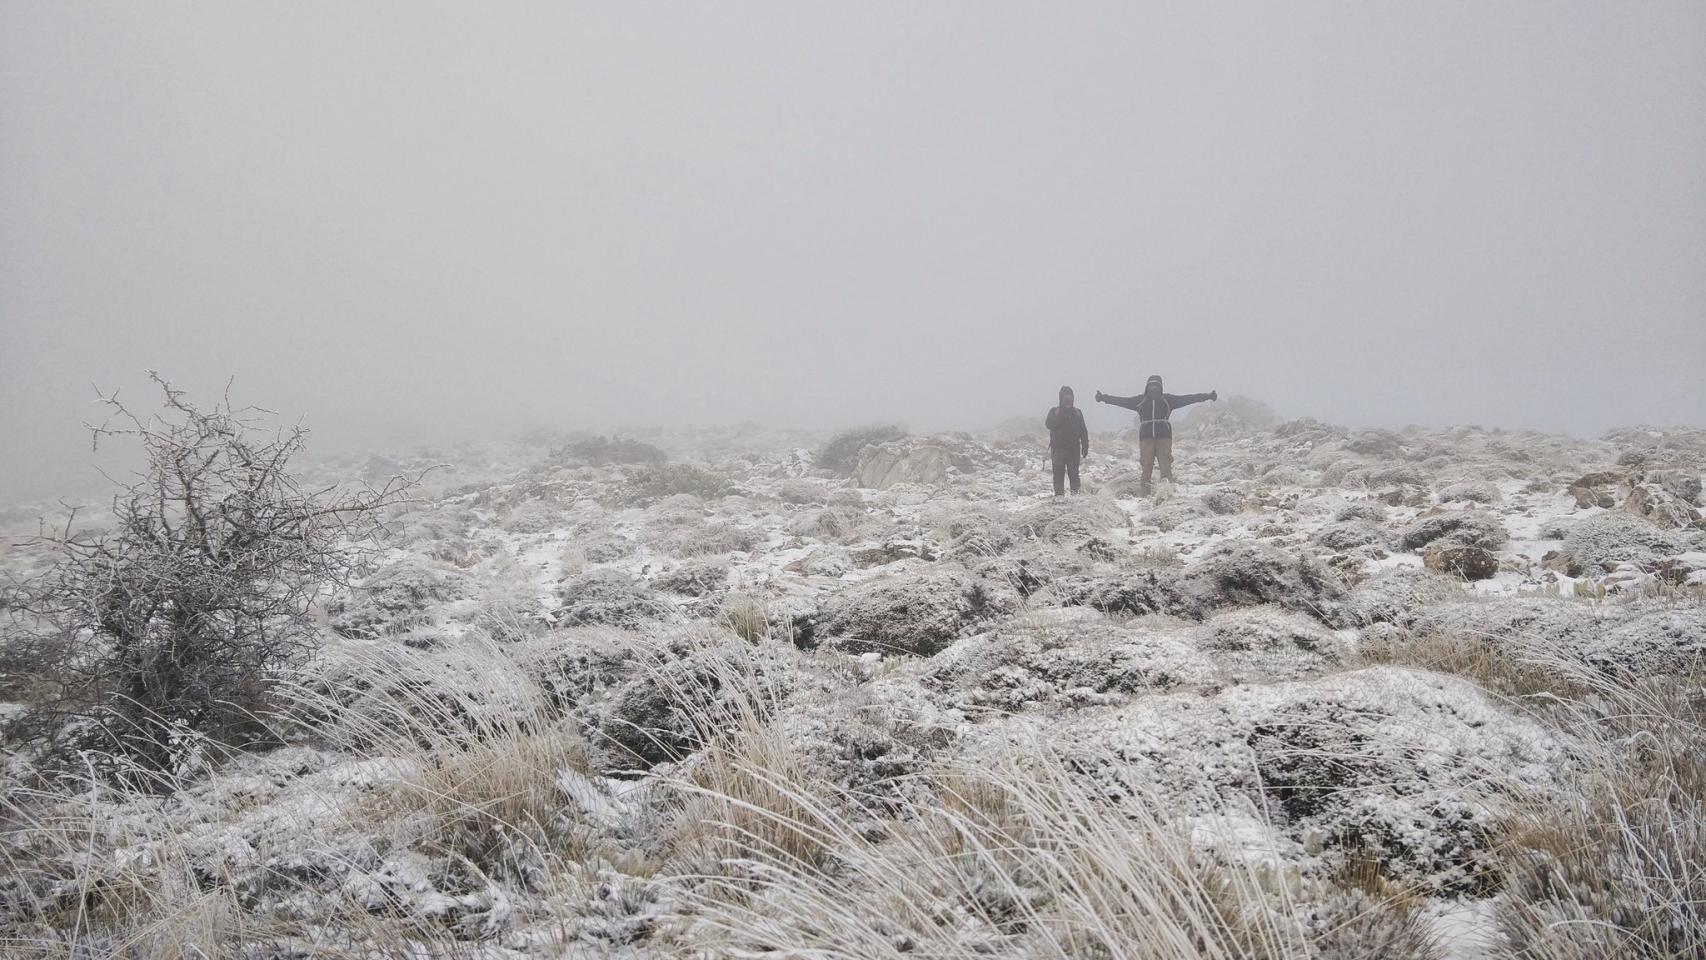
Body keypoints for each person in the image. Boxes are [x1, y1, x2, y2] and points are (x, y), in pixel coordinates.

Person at [1095, 376, 1217, 495]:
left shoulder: (1168, 400)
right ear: (1147, 387)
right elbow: (1122, 401)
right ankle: (1144, 495)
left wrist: (1208, 396)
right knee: (1146, 469)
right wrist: (1103, 398)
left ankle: (1168, 494)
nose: (1153, 389)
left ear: (1160, 387)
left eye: (1156, 386)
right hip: (1146, 439)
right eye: (1151, 386)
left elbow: (1189, 398)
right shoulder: (1140, 400)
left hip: (1163, 438)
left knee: (1166, 468)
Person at [1045, 386, 1090, 496]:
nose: (1068, 401)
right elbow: (1048, 424)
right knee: (1058, 476)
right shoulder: (1054, 411)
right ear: (1060, 399)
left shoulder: (1078, 413)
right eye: (1066, 399)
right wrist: (1061, 416)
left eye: (1070, 399)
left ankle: (1076, 498)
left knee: (1074, 475)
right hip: (1058, 450)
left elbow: (1083, 431)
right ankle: (1059, 498)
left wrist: (1085, 445)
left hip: (1073, 450)